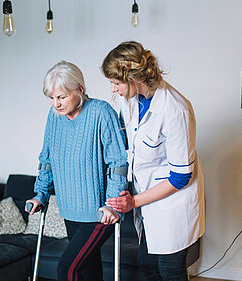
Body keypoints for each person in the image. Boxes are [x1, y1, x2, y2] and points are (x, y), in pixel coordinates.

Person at [101, 41, 205, 281]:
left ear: (134, 77)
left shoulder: (175, 109)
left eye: (116, 83)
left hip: (173, 203)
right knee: (147, 264)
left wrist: (134, 201)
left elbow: (180, 177)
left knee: (169, 269)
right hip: (147, 200)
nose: (113, 90)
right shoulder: (129, 100)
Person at [25, 60, 128, 281]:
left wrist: (113, 204)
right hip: (69, 209)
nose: (56, 104)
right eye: (51, 98)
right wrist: (40, 194)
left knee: (68, 269)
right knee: (89, 270)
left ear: (79, 89)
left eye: (62, 97)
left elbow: (117, 162)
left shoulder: (101, 112)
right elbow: (47, 160)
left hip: (100, 214)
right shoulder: (54, 118)